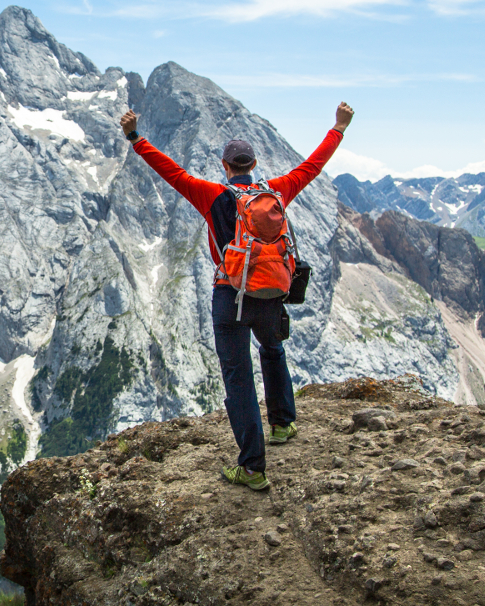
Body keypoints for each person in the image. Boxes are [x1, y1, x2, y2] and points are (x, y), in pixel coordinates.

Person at [119, 102, 354, 491]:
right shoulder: (276, 192)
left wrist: (135, 138)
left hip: (229, 295)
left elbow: (170, 172)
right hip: (270, 292)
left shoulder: (212, 195)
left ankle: (252, 467)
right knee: (272, 349)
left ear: (226, 166)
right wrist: (338, 128)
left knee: (238, 377)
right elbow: (312, 166)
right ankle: (282, 424)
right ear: (254, 164)